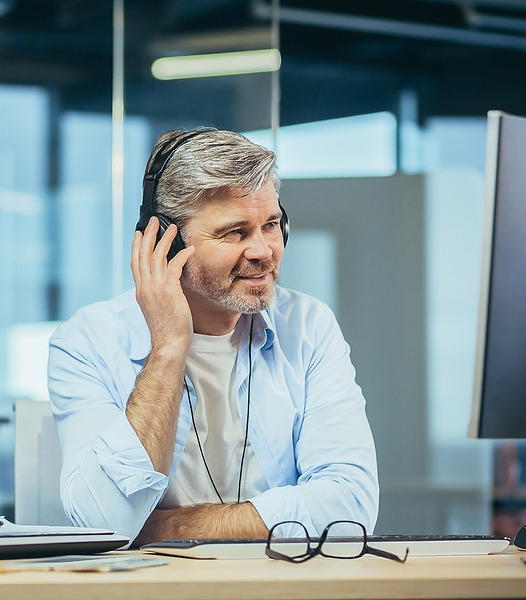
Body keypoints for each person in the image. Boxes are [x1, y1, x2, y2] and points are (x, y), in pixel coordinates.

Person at [47, 128, 378, 545]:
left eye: (271, 225)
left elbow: (350, 507)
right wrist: (167, 349)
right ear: (166, 244)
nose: (263, 251)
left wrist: (174, 527)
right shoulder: (88, 343)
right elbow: (104, 522)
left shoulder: (308, 325)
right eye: (234, 233)